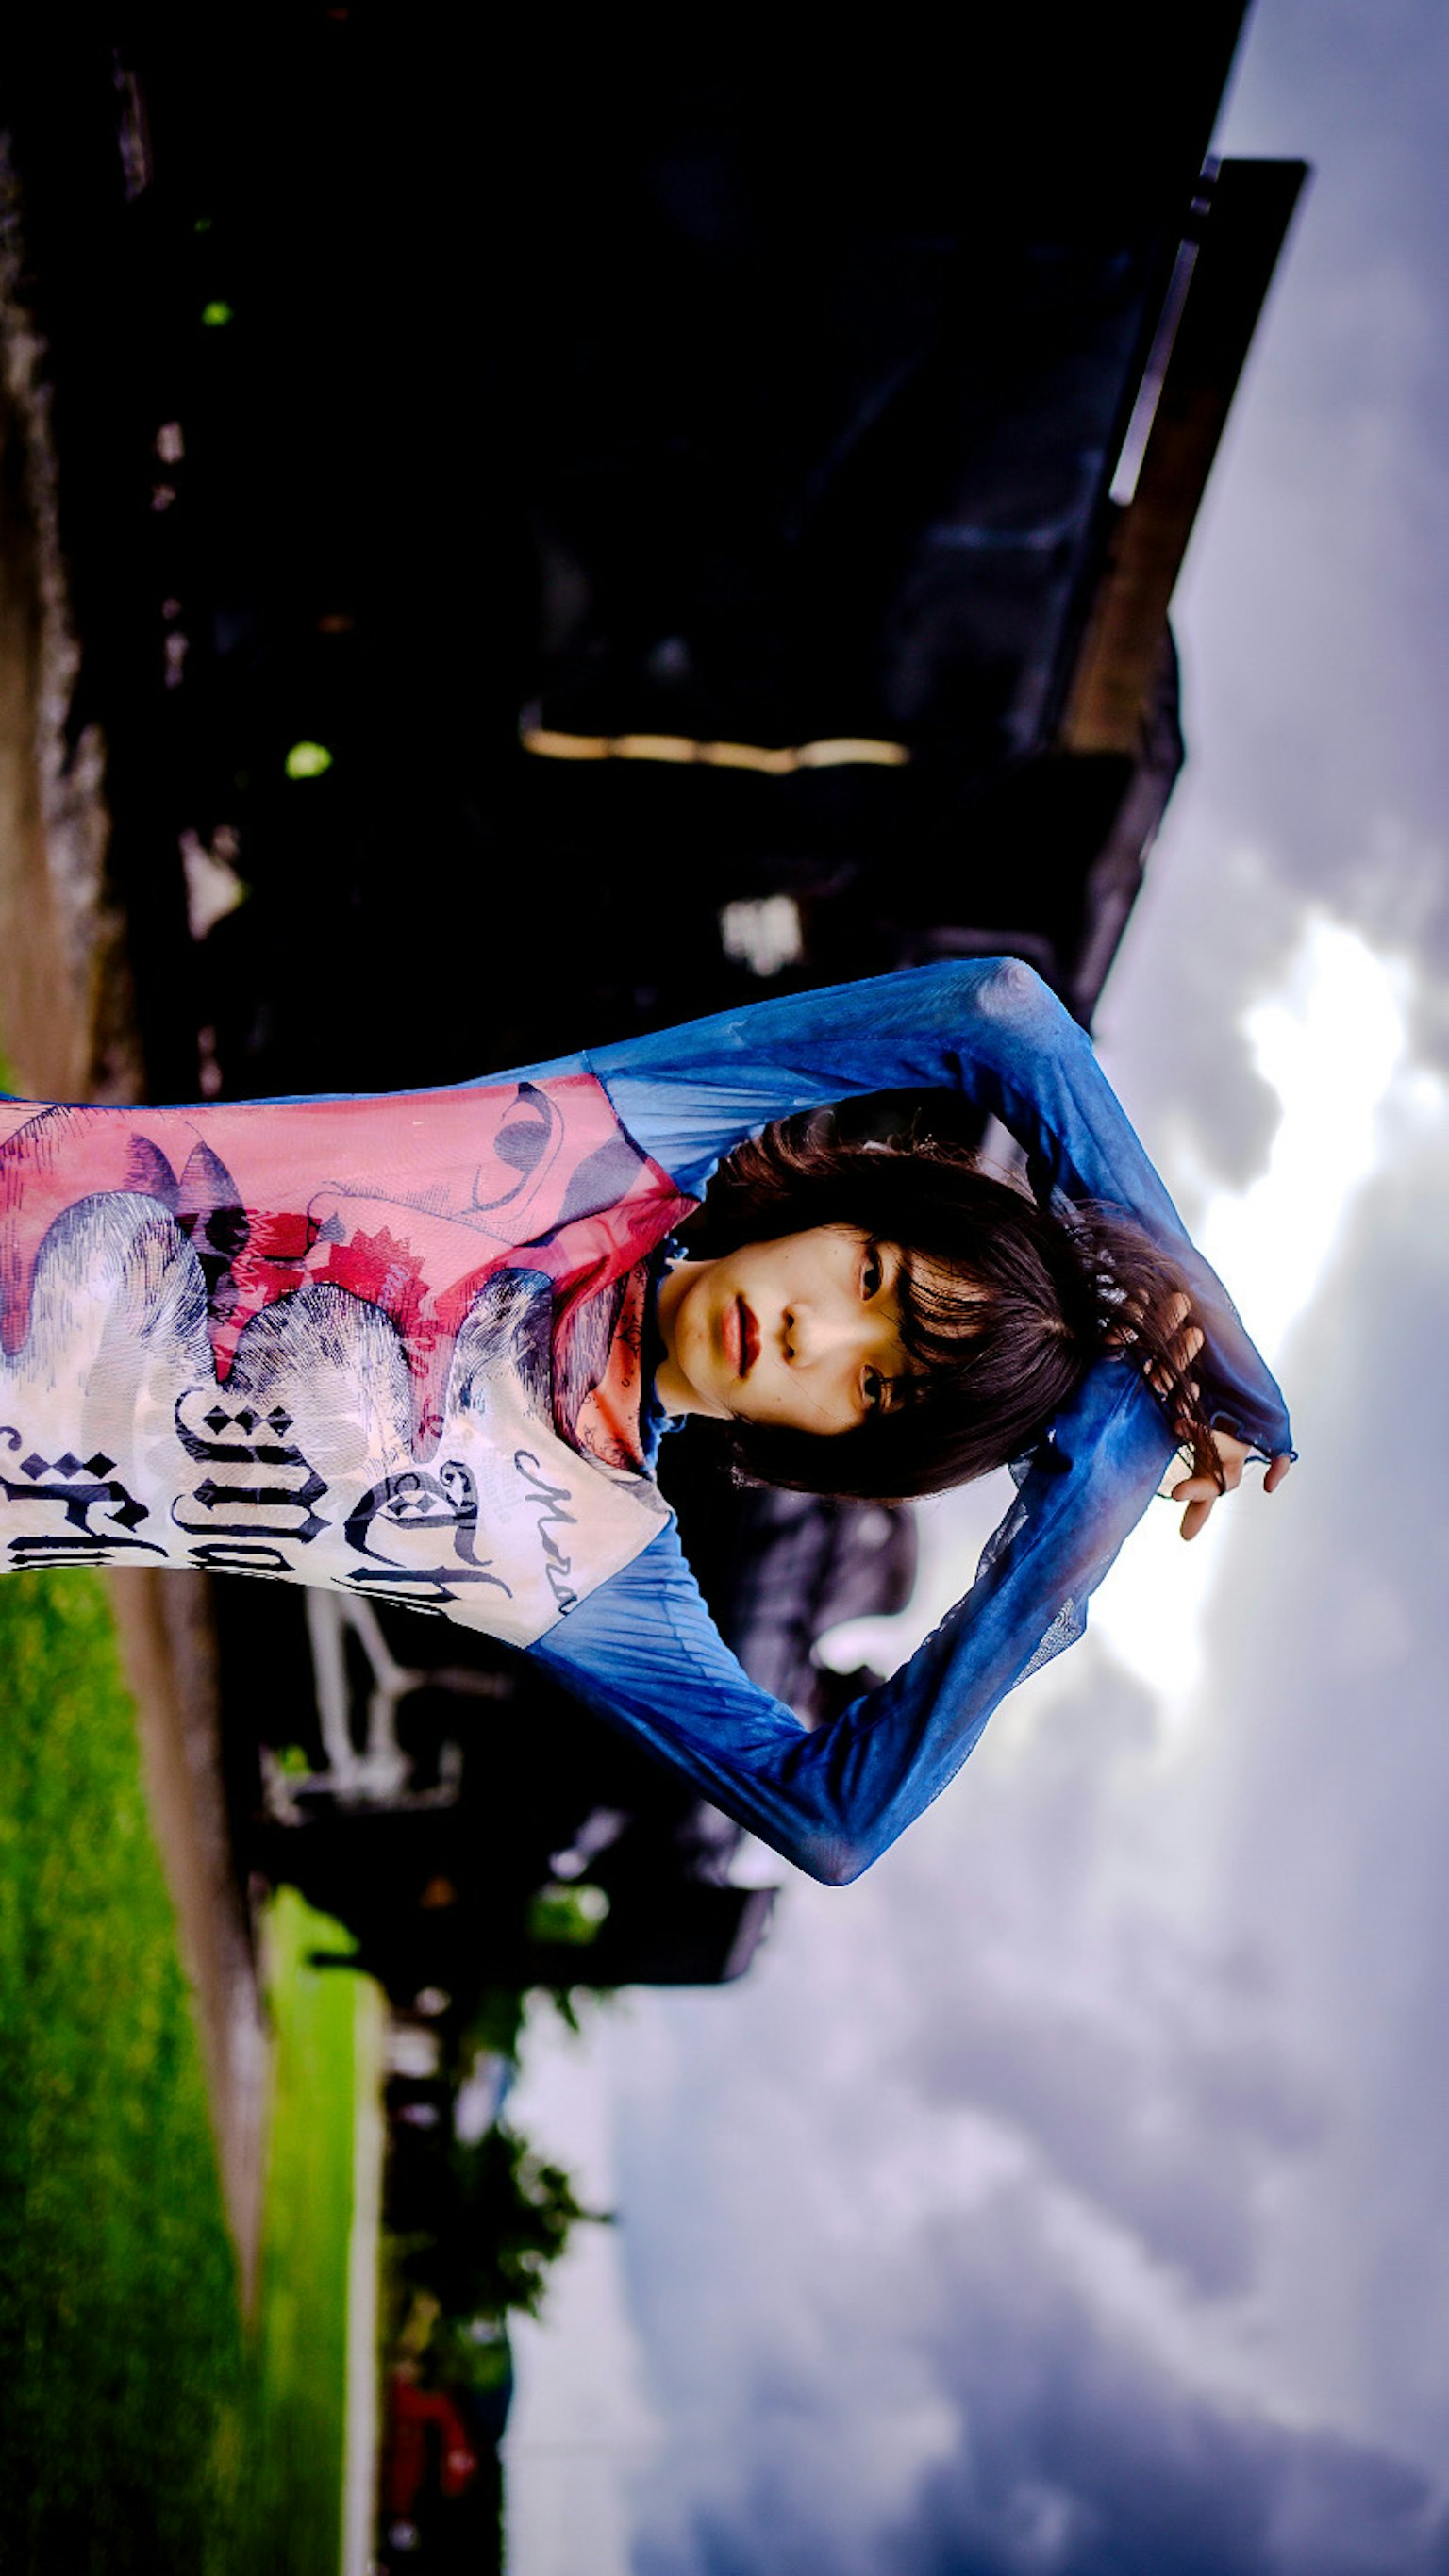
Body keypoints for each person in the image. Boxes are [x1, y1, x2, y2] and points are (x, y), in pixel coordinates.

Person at [0, 956, 1291, 1882]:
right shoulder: (611, 1140)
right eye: (871, 1280)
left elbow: (834, 1822)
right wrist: (1200, 1340)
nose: (814, 1335)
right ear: (840, 1212)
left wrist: (1105, 1471)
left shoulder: (592, 1557)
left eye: (877, 1385)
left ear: (853, 1448)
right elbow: (1003, 1017)